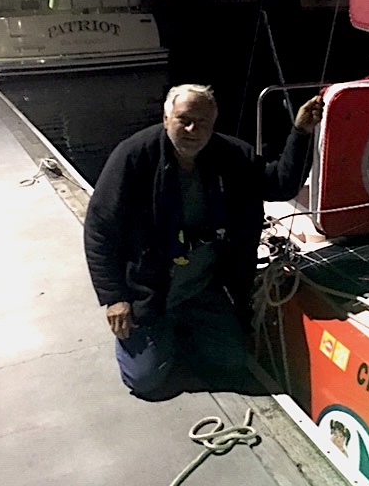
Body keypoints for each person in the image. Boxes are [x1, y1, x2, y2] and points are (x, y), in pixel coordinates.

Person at [83, 83, 323, 398]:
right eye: (185, 119)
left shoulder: (232, 155)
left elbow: (280, 184)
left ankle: (185, 331)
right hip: (151, 294)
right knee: (146, 381)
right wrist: (114, 297)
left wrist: (301, 132)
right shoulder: (134, 156)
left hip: (204, 289)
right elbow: (99, 228)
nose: (194, 129)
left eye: (204, 123)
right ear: (166, 117)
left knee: (231, 363)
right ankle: (158, 335)